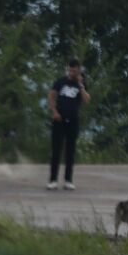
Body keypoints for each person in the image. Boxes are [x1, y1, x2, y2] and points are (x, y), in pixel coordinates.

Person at [48, 59, 89, 190]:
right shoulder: (60, 82)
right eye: (70, 70)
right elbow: (51, 96)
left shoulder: (81, 84)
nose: (71, 72)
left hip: (73, 120)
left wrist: (81, 85)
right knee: (56, 150)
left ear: (79, 70)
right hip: (59, 119)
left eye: (74, 70)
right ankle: (53, 179)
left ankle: (68, 180)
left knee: (70, 151)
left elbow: (87, 100)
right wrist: (54, 111)